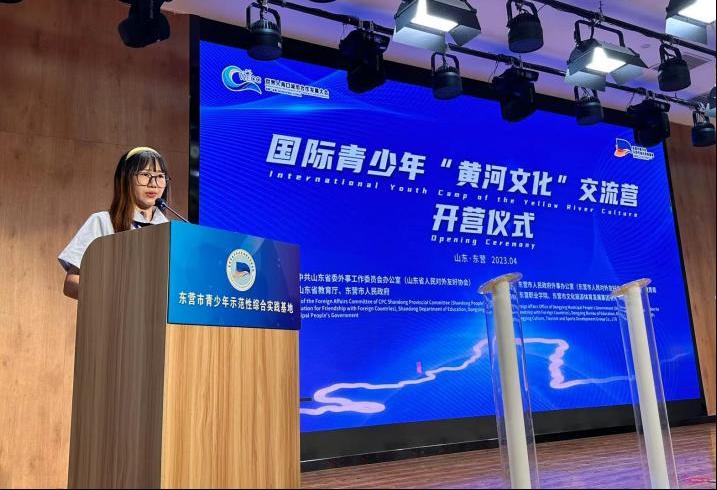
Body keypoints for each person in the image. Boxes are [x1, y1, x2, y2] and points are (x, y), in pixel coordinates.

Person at [58, 147, 172, 299]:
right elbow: (71, 284)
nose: (154, 183)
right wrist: (117, 295)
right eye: (145, 174)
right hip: (114, 311)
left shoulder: (171, 231)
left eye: (160, 176)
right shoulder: (102, 222)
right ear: (125, 178)